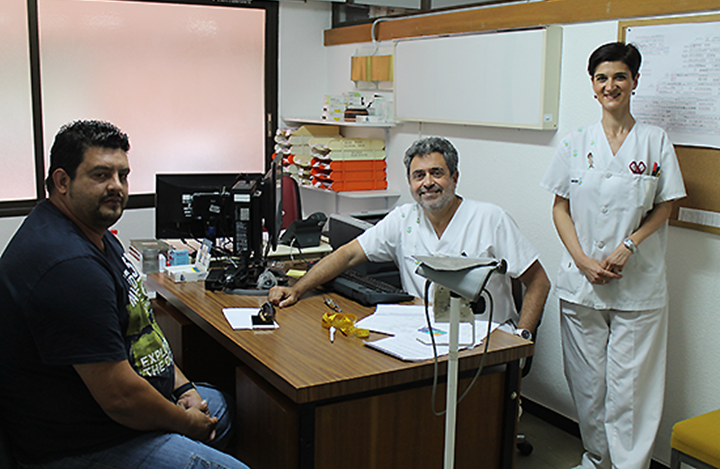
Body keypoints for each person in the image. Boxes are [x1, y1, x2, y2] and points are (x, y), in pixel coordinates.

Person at [0, 120, 249, 469]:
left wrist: (184, 390)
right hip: (83, 441)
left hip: (120, 410)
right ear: (62, 181)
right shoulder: (67, 266)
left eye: (123, 175)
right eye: (101, 175)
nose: (116, 186)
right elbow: (120, 398)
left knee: (223, 406)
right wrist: (185, 422)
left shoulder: (97, 236)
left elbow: (143, 330)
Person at [540, 42, 686, 469]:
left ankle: (627, 466)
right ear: (592, 85)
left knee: (631, 389)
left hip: (636, 284)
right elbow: (559, 206)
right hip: (581, 283)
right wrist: (582, 260)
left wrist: (630, 245)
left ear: (634, 82)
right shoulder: (574, 143)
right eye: (602, 78)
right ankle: (596, 457)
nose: (611, 85)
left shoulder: (654, 141)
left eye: (620, 77)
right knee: (588, 385)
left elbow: (666, 206)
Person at [270, 136, 550, 335]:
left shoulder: (491, 218)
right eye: (419, 175)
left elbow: (538, 281)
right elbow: (348, 254)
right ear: (410, 183)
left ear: (455, 177)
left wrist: (522, 338)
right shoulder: (404, 218)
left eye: (437, 173)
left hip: (487, 339)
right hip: (424, 336)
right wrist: (297, 289)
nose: (427, 182)